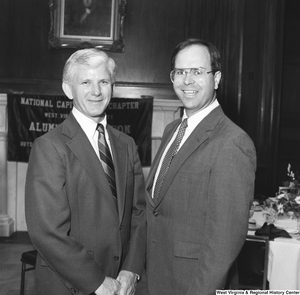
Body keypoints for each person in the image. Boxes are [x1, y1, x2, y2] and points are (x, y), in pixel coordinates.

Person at [25, 48, 147, 295]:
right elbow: (47, 231)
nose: (96, 91)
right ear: (68, 89)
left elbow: (139, 213)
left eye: (103, 81)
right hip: (71, 285)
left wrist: (131, 270)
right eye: (86, 82)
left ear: (112, 86)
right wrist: (96, 281)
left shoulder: (127, 144)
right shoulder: (49, 146)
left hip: (121, 284)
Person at [145, 38, 257, 295]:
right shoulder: (172, 130)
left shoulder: (233, 142)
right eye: (180, 72)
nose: (187, 80)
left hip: (194, 285)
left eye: (197, 71)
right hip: (157, 277)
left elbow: (224, 242)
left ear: (216, 79)